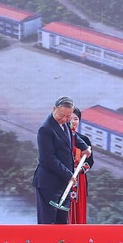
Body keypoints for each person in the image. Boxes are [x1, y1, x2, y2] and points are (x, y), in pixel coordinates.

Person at [33, 96, 91, 224]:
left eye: (68, 116)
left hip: (64, 183)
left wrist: (84, 147)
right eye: (62, 115)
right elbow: (47, 159)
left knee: (62, 222)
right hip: (49, 183)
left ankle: (62, 238)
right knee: (47, 222)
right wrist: (68, 174)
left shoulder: (65, 123)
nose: (65, 119)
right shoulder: (45, 129)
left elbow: (72, 135)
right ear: (54, 109)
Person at [68, 107, 94, 224]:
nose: (73, 121)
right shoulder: (59, 139)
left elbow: (90, 161)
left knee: (78, 210)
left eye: (76, 119)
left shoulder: (84, 140)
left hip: (79, 180)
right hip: (64, 177)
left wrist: (80, 169)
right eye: (70, 118)